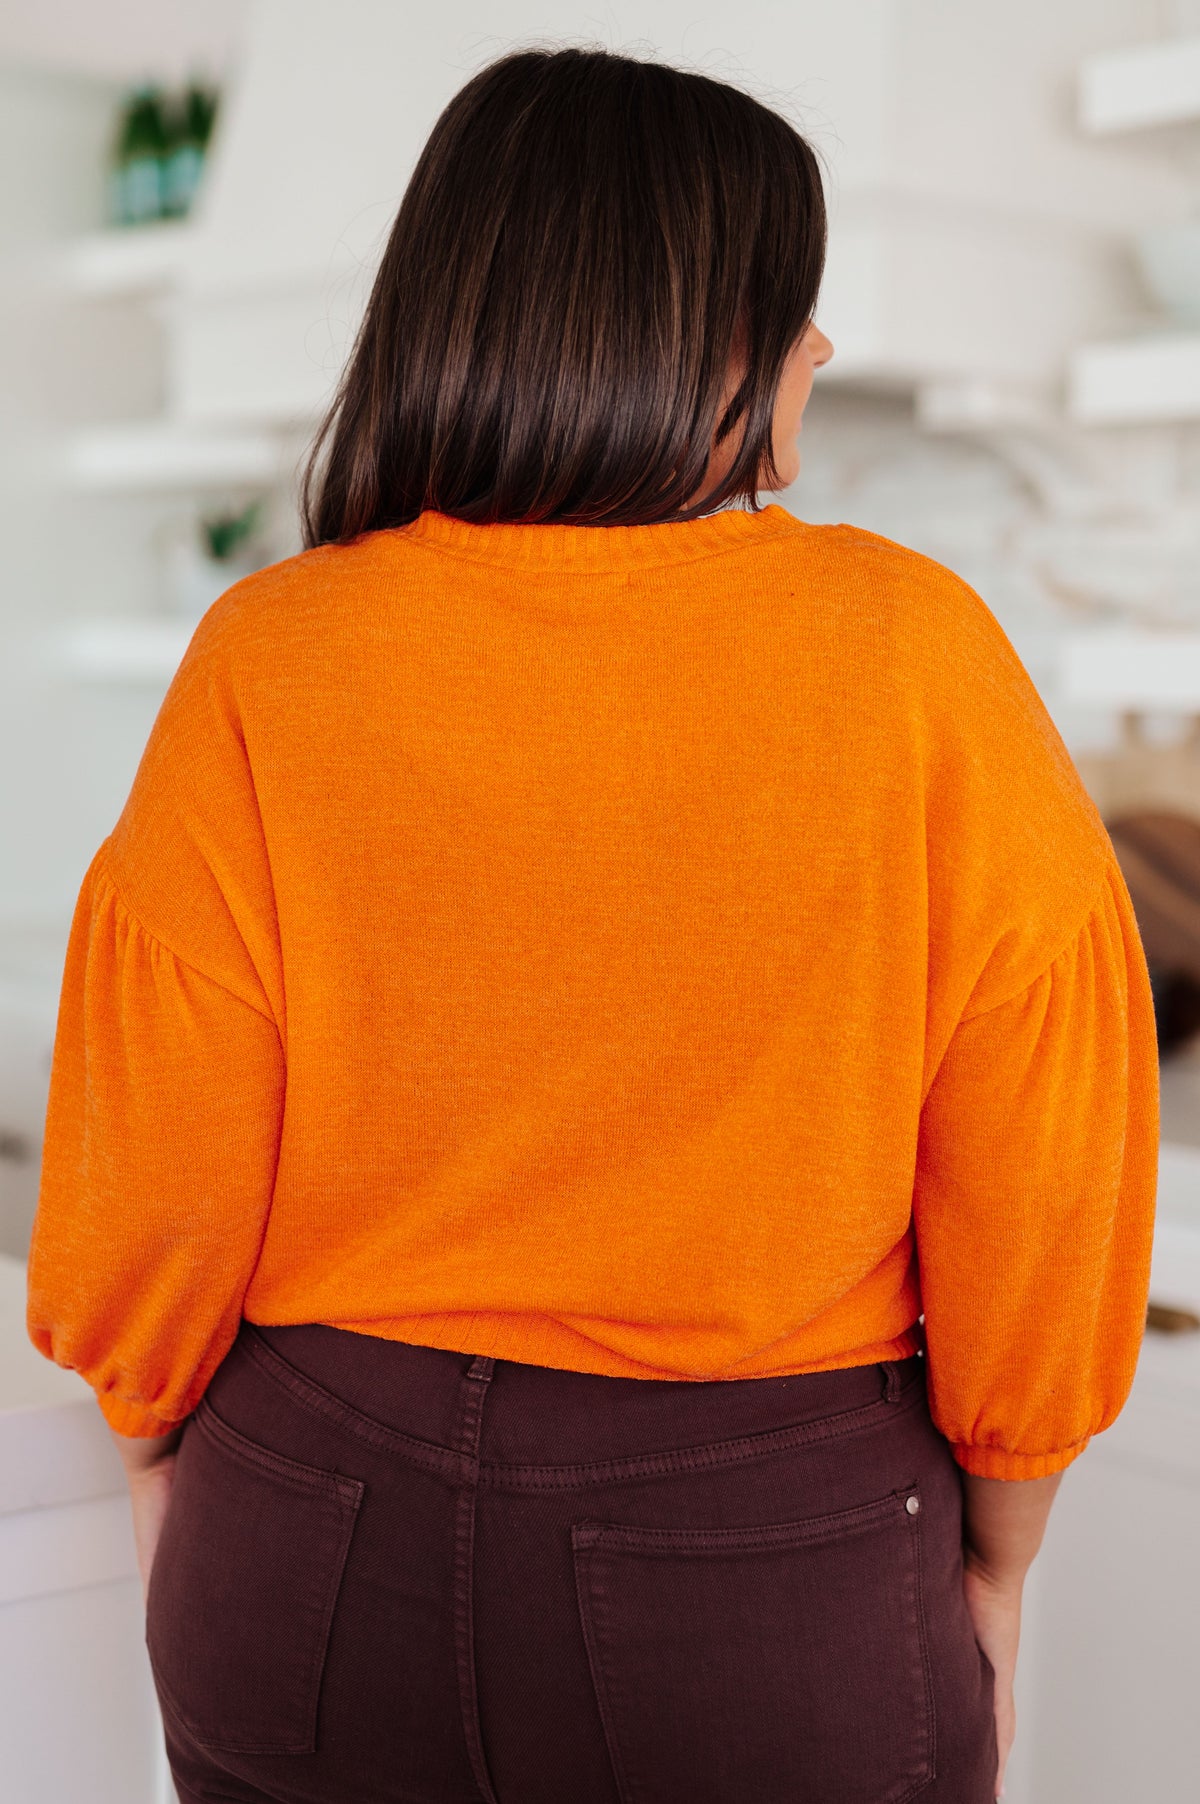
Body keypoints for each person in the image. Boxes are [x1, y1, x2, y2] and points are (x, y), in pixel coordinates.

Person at [25, 42, 1158, 1804]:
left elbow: (153, 1156)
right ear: (710, 341)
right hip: (767, 1563)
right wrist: (1002, 1552)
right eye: (796, 305)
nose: (823, 349)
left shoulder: (273, 651)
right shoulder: (911, 650)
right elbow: (1046, 1158)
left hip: (306, 1528)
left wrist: (171, 1462)